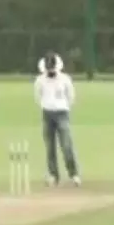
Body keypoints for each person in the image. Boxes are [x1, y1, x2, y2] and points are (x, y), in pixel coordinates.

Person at [35, 51, 81, 186]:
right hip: (47, 114)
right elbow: (37, 97)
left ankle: (74, 174)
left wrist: (63, 106)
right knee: (50, 147)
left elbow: (71, 96)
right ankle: (53, 175)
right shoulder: (40, 80)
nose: (50, 71)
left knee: (66, 145)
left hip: (62, 114)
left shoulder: (65, 79)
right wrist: (46, 105)